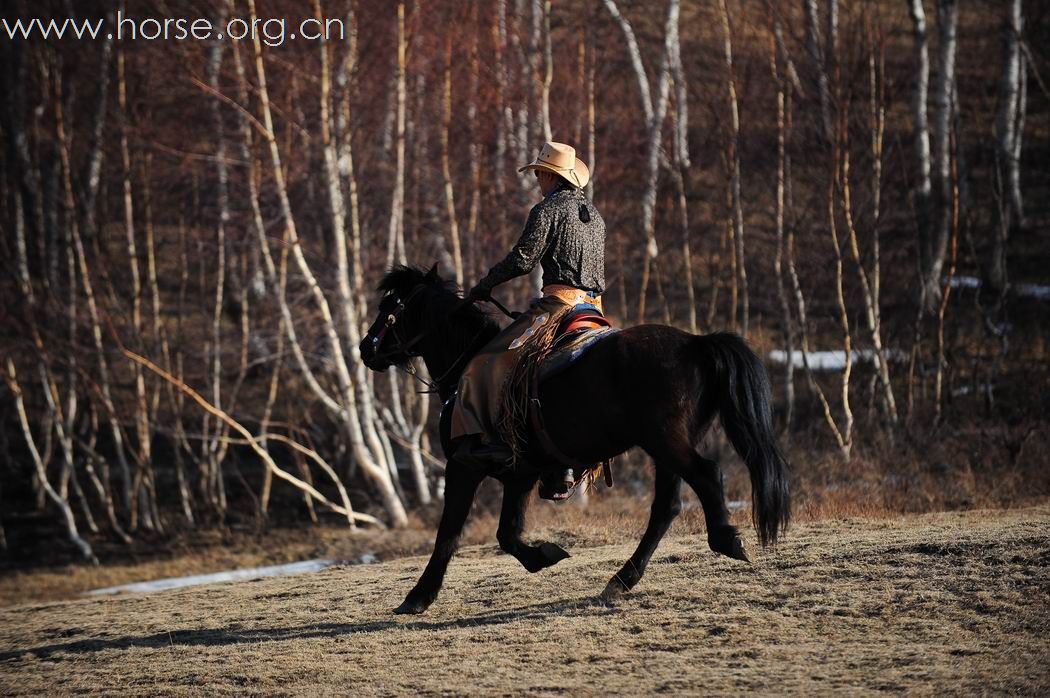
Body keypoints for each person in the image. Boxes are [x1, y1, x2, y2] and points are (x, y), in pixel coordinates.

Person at [450, 141, 606, 496]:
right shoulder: (595, 216)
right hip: (595, 311)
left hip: (559, 307)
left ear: (551, 176)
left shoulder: (547, 210)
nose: (538, 180)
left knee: (488, 362)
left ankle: (490, 441)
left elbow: (522, 260)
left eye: (539, 173)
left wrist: (483, 285)